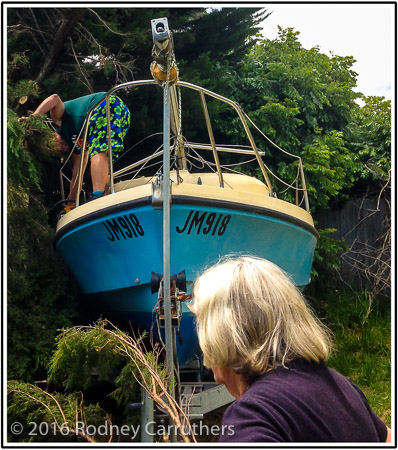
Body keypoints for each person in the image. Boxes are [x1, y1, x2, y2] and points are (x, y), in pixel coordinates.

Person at [189, 256, 391, 443]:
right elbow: (388, 439)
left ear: (220, 336)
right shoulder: (341, 387)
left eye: (202, 325)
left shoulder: (252, 417)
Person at [19, 92, 131, 206]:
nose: (63, 146)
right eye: (61, 150)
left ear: (51, 134)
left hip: (103, 104)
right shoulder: (77, 148)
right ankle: (107, 192)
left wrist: (32, 119)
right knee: (106, 154)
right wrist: (71, 204)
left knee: (98, 150)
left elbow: (54, 98)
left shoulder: (58, 120)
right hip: (122, 112)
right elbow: (77, 176)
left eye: (53, 143)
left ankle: (98, 197)